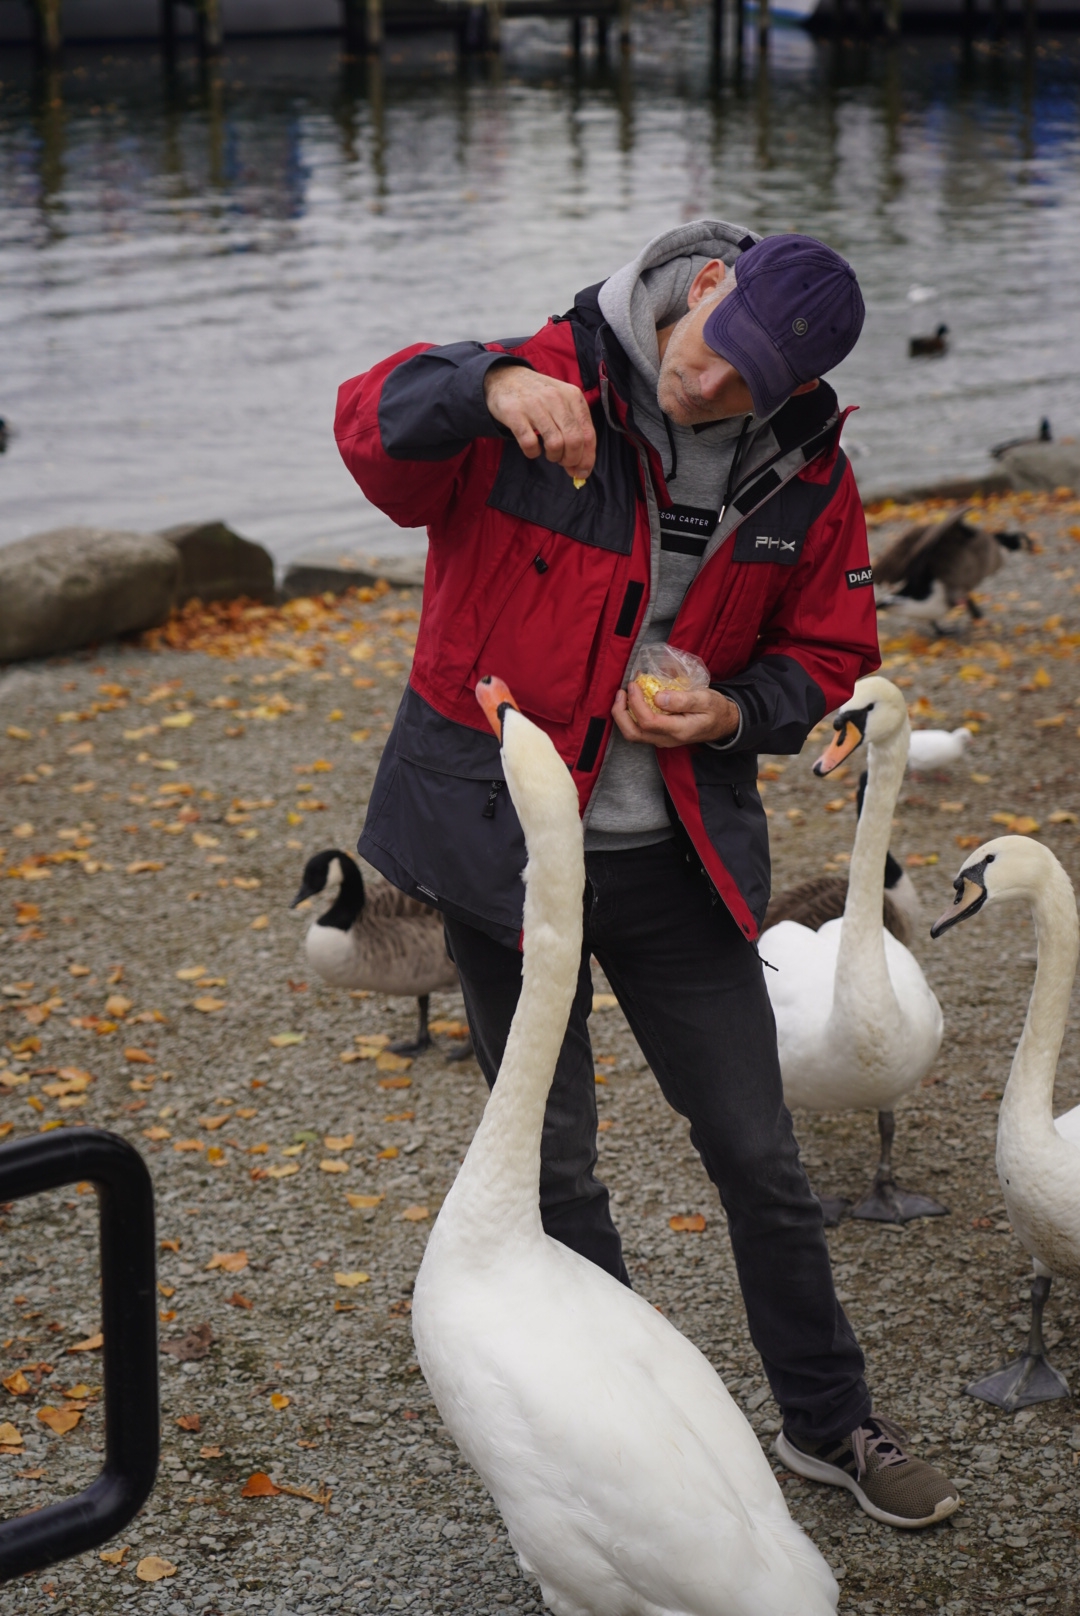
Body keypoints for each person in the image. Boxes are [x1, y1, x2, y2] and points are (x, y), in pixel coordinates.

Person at [335, 222, 959, 1530]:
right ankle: (640, 1441)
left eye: (749, 387)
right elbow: (370, 440)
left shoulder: (807, 468)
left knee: (759, 1152)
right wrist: (483, 386)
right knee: (555, 1172)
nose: (708, 389)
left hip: (682, 862)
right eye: (710, 356)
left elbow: (834, 657)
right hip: (505, 857)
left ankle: (828, 1421)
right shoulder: (541, 376)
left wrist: (730, 715)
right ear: (707, 288)